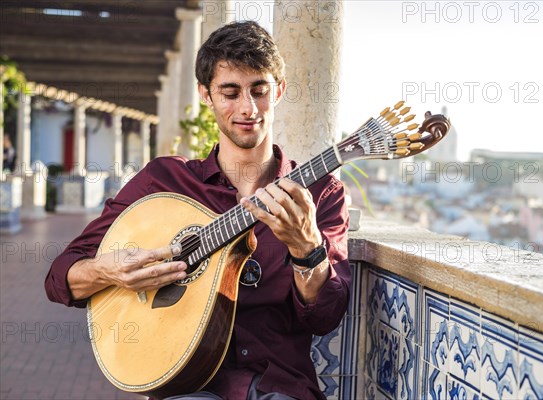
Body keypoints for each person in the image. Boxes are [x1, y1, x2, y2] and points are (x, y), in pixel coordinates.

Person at [45, 21, 350, 400]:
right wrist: (111, 270)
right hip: (186, 384)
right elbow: (60, 278)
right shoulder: (164, 182)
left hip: (279, 385)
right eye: (230, 92)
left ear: (280, 91)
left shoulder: (319, 194)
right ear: (206, 94)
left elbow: (325, 318)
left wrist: (308, 250)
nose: (248, 108)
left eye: (260, 90)